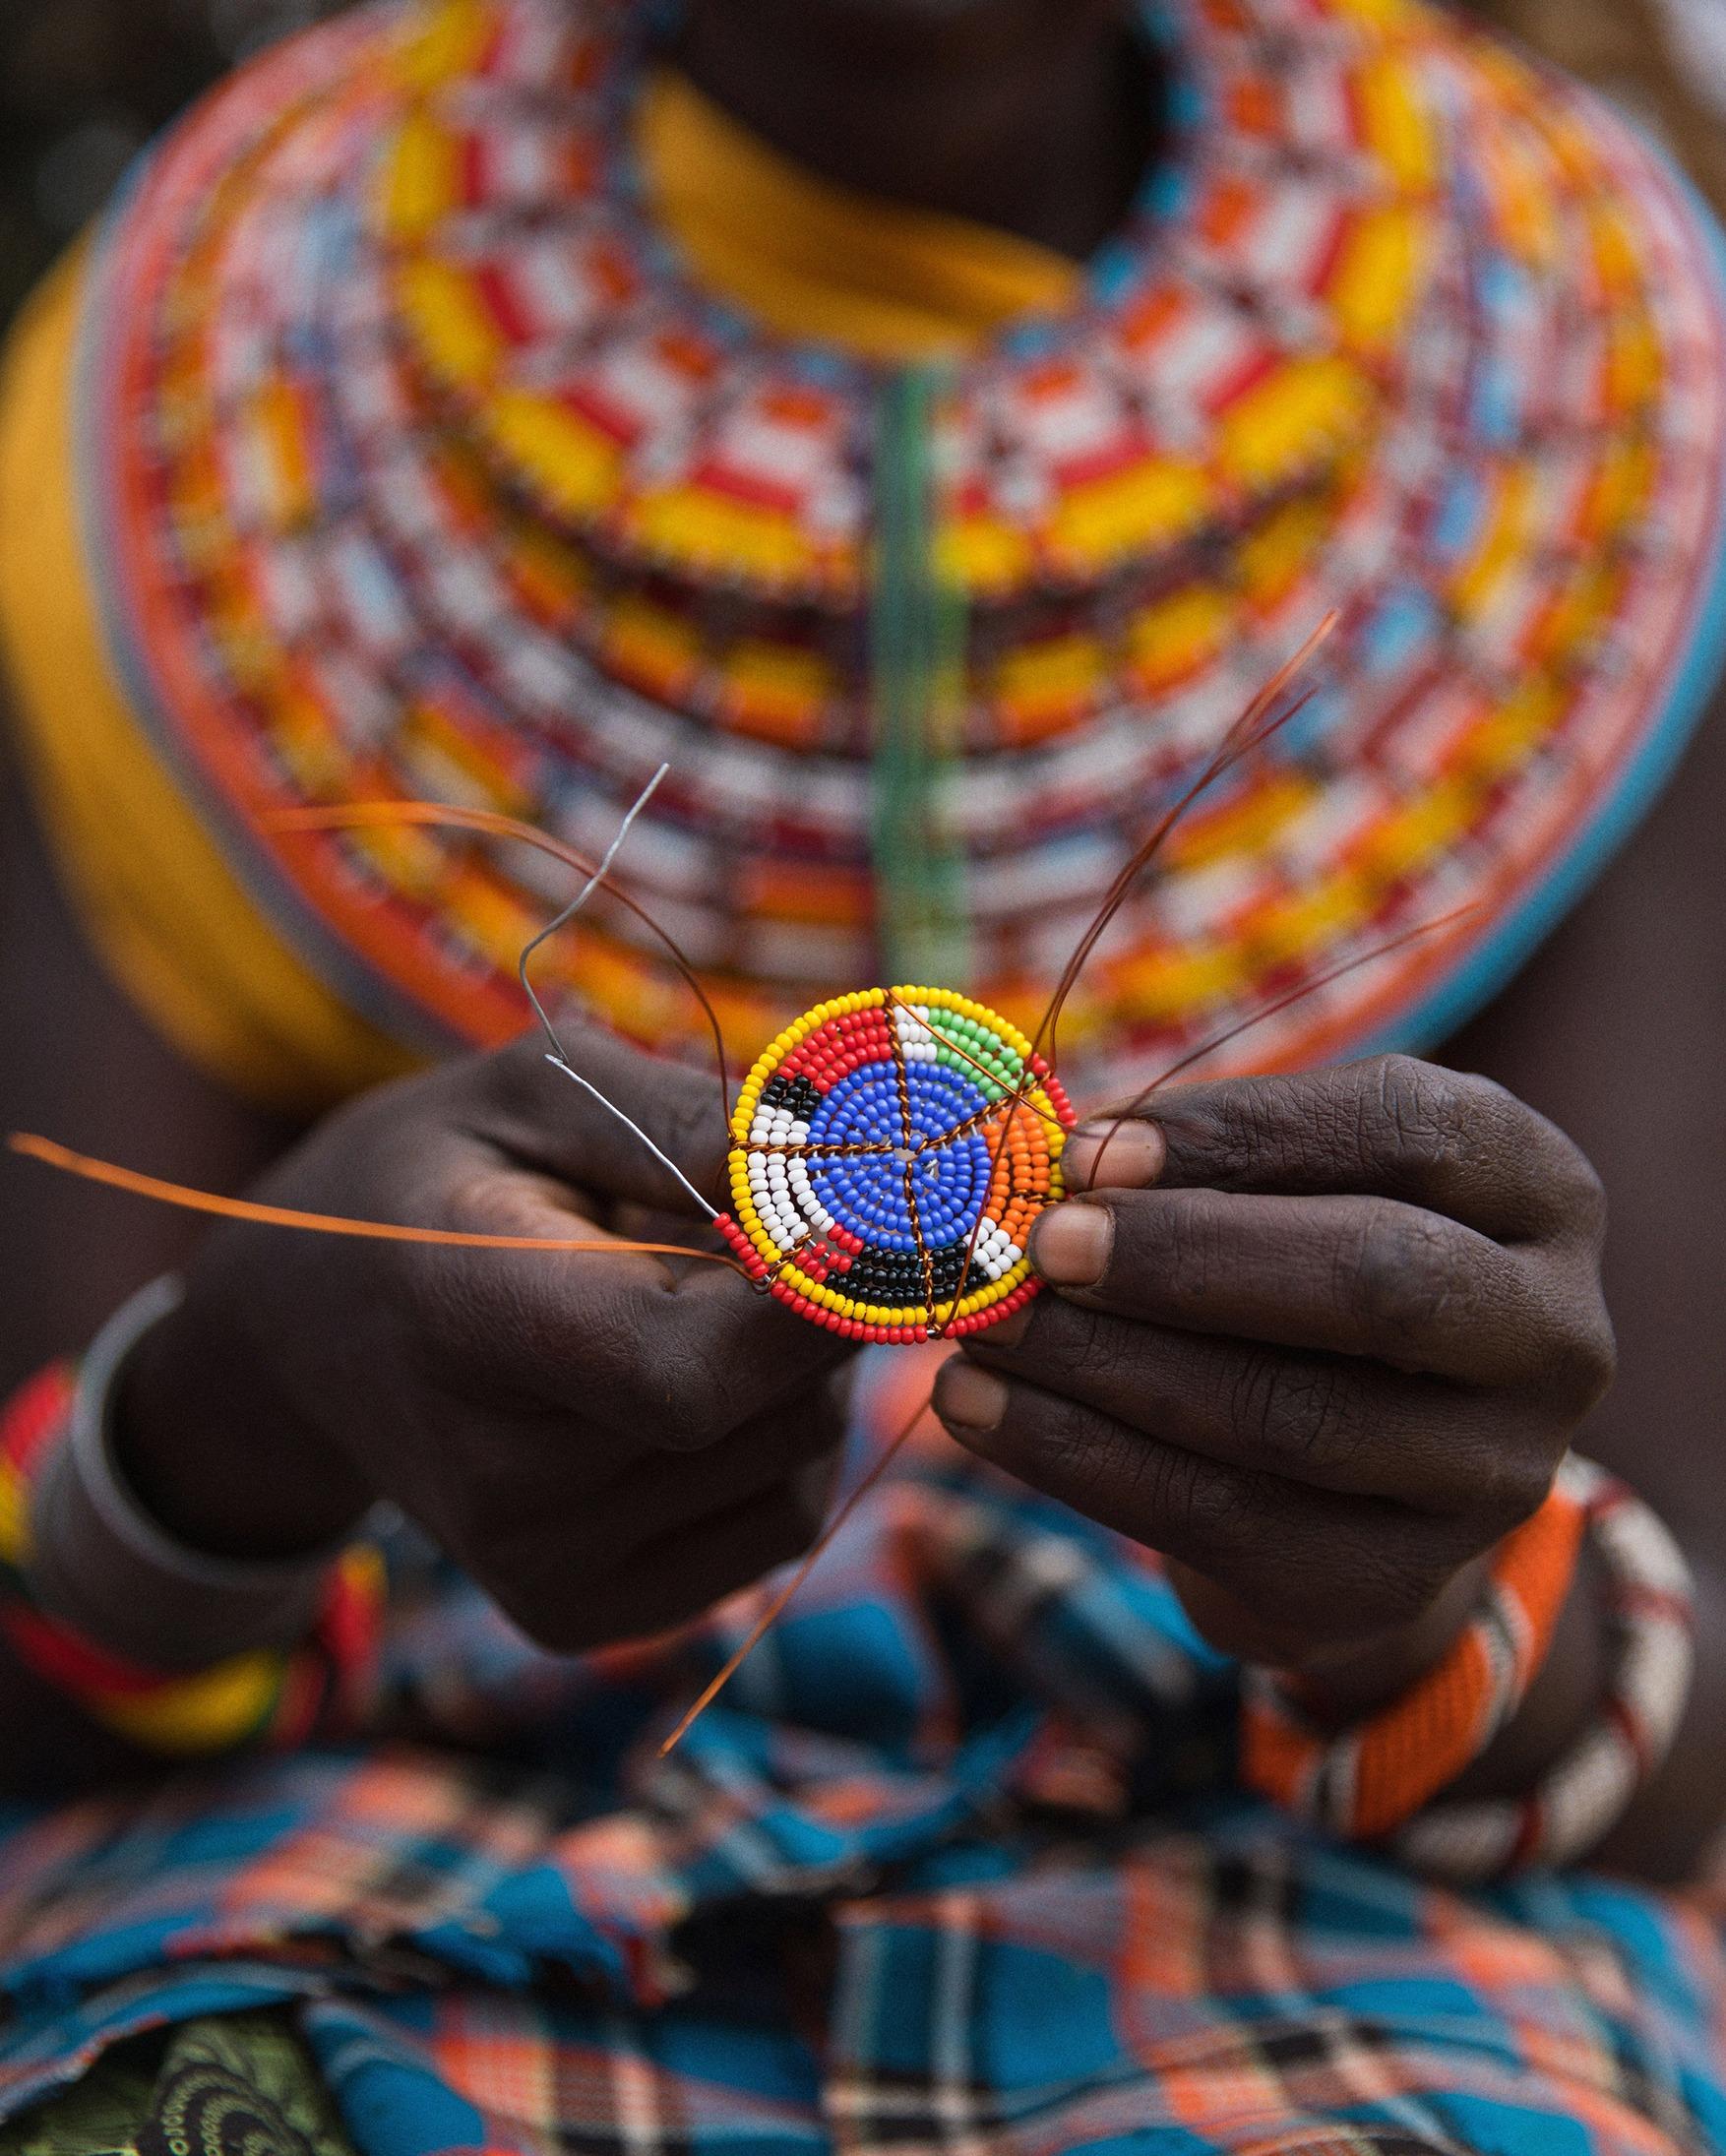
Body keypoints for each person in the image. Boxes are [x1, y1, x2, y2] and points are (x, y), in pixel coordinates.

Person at [0, 0, 1723, 2149]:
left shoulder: (1605, 414)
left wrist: (1420, 1596)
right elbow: (42, 1675)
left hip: (1322, 1932)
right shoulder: (187, 394)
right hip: (341, 1902)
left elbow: (1678, 1755)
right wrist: (245, 1376)